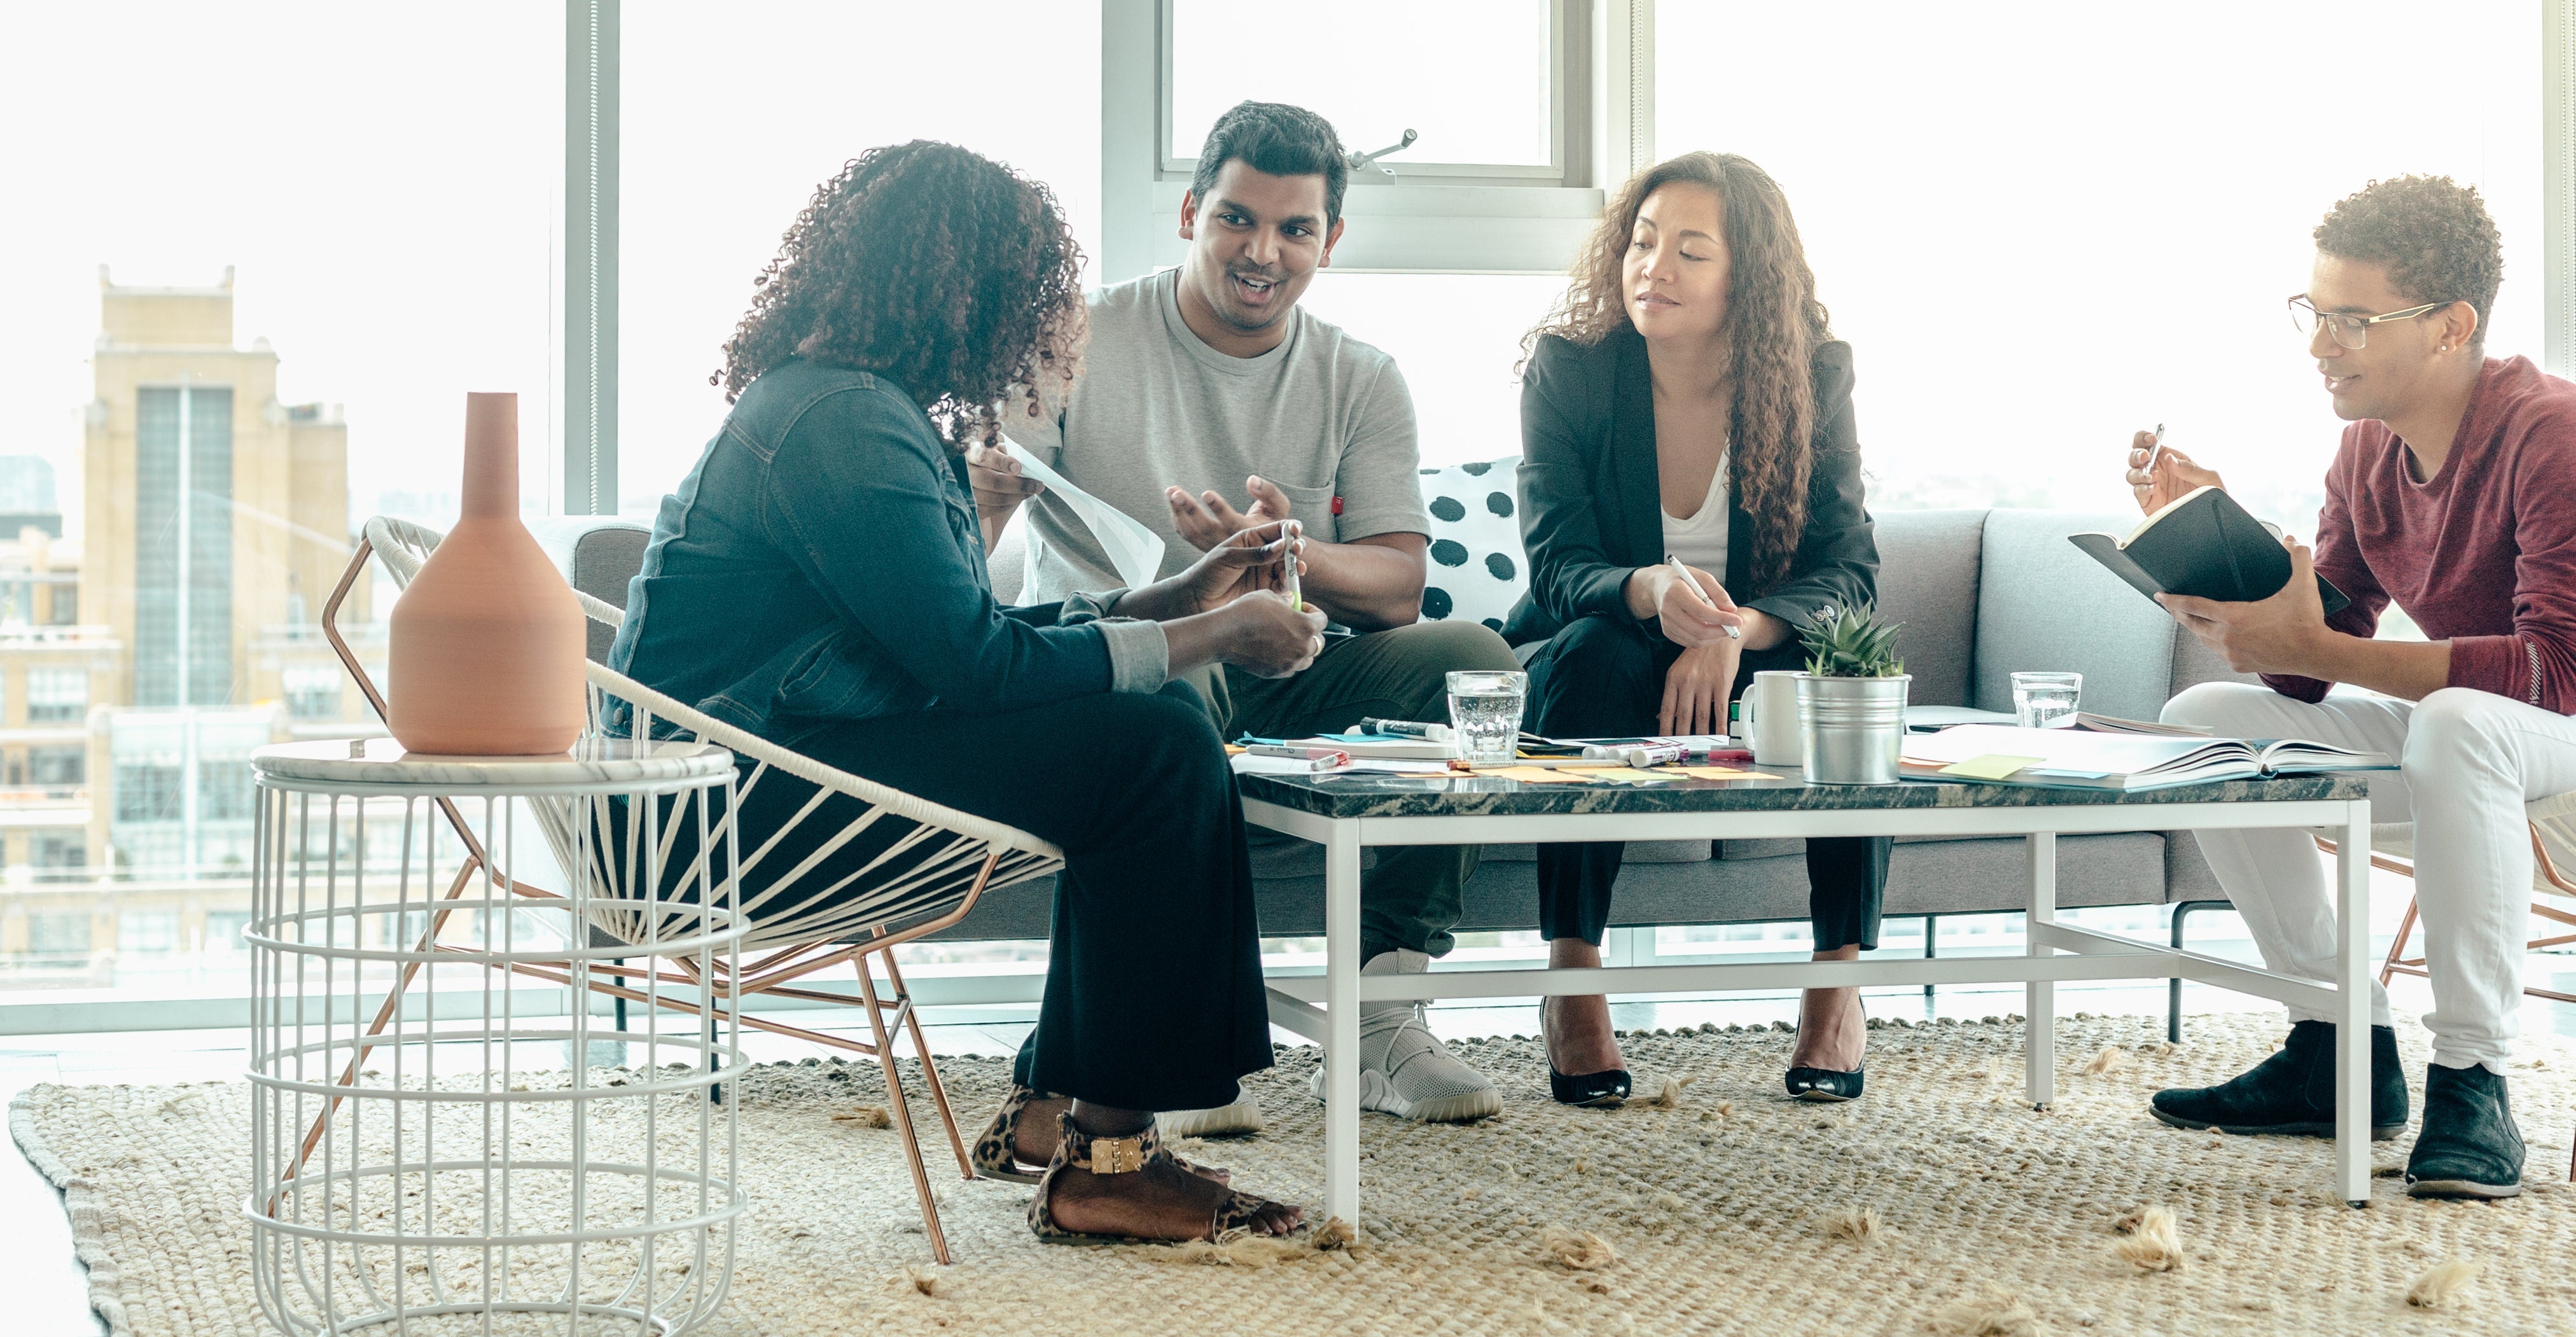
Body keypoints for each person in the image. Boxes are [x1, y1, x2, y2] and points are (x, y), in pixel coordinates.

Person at [606, 140, 1328, 1244]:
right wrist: (1216, 630)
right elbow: (979, 669)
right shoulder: (841, 426)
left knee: (1163, 718)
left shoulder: (850, 405)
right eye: (1028, 292)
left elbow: (962, 640)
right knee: (1159, 753)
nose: (1043, 323)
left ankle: (1063, 1113)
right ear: (968, 290)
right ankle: (1108, 1168)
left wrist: (1171, 598)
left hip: (760, 775)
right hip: (719, 820)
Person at [2133, 174, 2576, 1201]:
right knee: (2205, 721)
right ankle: (2339, 1041)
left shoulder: (2562, 432)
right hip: (2496, 763)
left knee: (2461, 721)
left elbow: (2557, 672)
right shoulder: (2365, 451)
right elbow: (2304, 666)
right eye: (2315, 314)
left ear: (2453, 325)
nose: (2322, 344)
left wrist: (2321, 651)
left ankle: (2474, 1078)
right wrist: (2213, 553)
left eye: (2354, 320)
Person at [984, 101, 1518, 1126]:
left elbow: (1401, 584)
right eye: (1236, 219)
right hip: (1138, 657)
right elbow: (977, 537)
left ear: (1330, 240)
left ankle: (1382, 1021)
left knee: (1470, 655)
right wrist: (981, 493)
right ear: (1190, 213)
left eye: (1294, 229)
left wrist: (1286, 554)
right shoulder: (1075, 339)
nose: (1261, 251)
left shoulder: (1360, 377)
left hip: (1289, 657)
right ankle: (1154, 1040)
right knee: (1178, 679)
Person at [1507, 151, 1887, 1105]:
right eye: (1641, 241)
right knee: (1587, 658)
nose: (1652, 267)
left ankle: (1837, 979)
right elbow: (1555, 565)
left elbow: (1850, 570)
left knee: (1849, 687)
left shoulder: (1811, 375)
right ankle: (1574, 976)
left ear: (1746, 275)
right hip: (1611, 637)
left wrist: (1740, 629)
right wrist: (1646, 588)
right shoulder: (1571, 372)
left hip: (1753, 655)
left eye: (1689, 249)